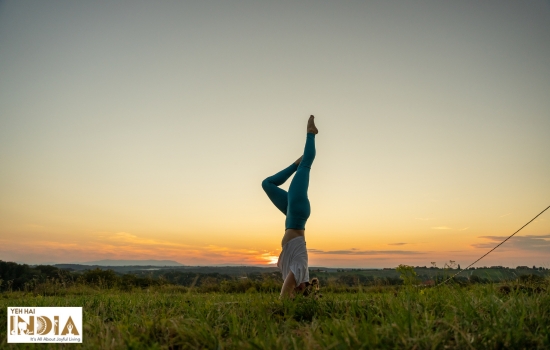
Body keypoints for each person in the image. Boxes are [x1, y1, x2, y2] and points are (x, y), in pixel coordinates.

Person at [261, 115, 318, 298]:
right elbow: (283, 297)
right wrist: (287, 303)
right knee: (306, 165)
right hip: (297, 212)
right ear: (303, 289)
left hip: (291, 216)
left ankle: (296, 163)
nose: (294, 288)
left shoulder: (299, 273)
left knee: (267, 184)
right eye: (297, 291)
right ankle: (311, 133)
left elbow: (288, 293)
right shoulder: (301, 269)